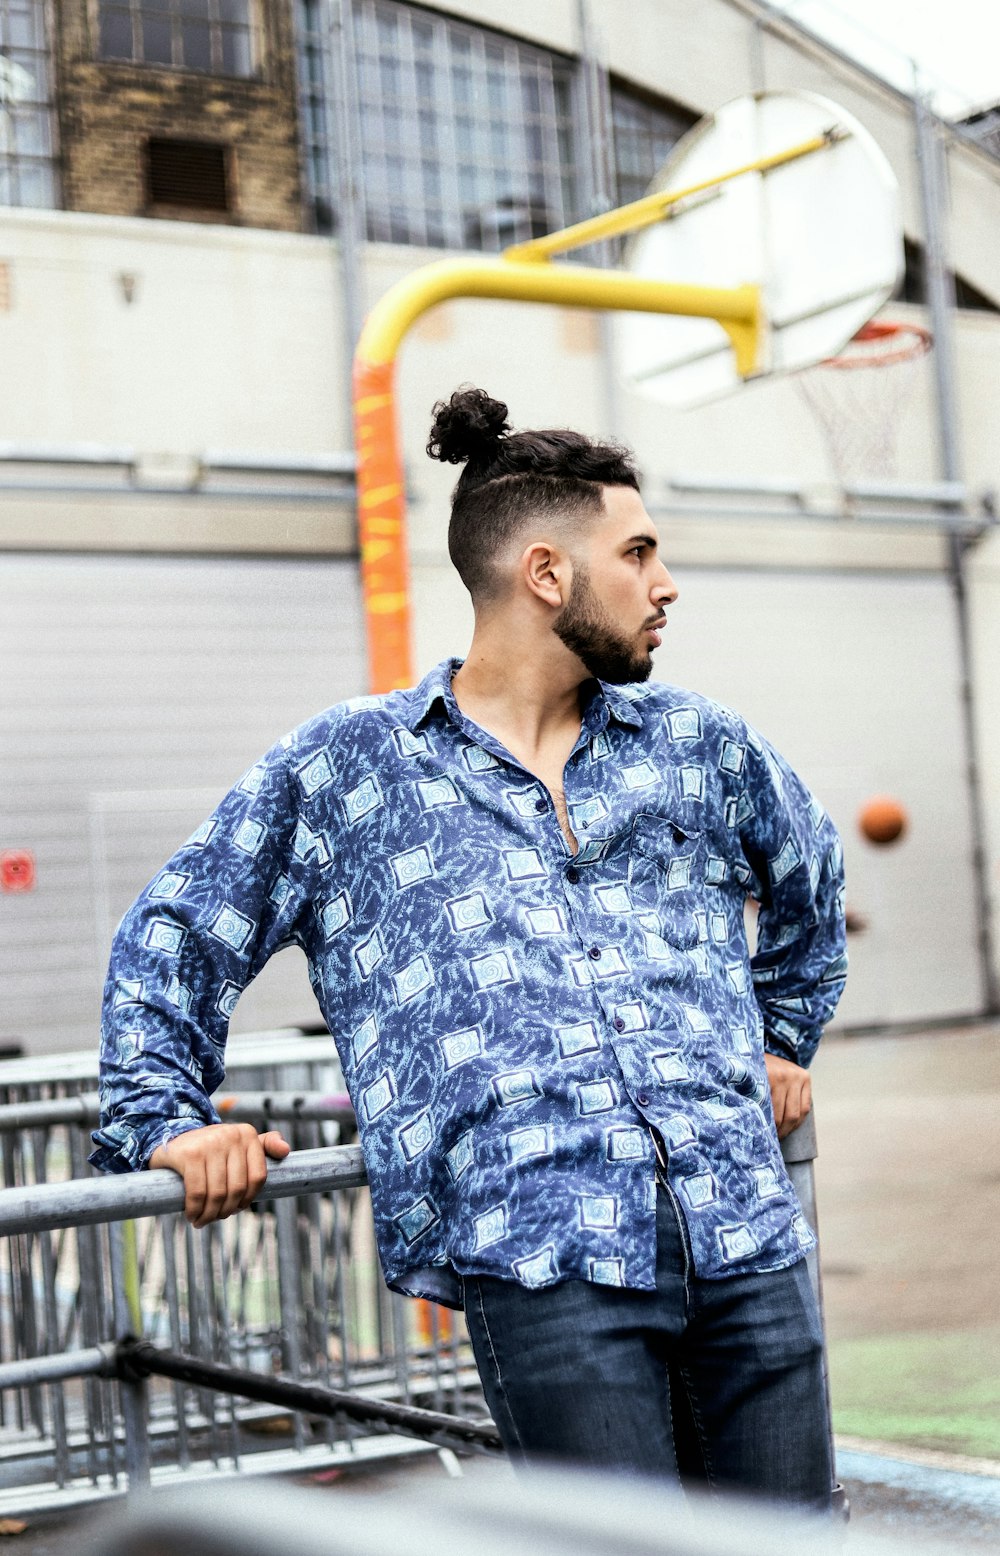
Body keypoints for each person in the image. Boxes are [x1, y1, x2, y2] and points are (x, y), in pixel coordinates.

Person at [93, 387, 847, 1509]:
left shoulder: (698, 743)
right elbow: (176, 933)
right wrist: (168, 1119)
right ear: (547, 573)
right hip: (542, 1260)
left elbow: (810, 879)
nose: (665, 582)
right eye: (637, 552)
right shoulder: (349, 767)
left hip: (746, 1234)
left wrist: (776, 1040)